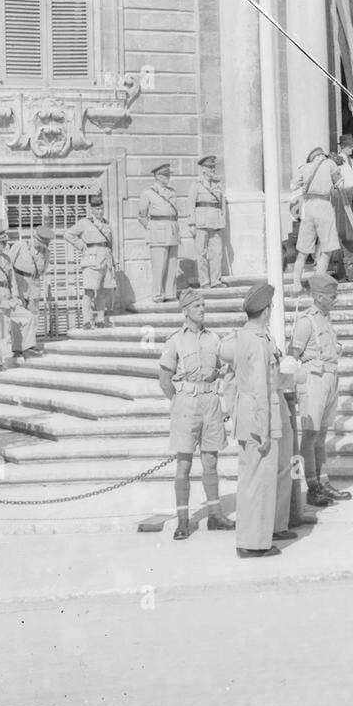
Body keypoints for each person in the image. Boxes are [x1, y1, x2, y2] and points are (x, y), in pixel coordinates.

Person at [158, 288, 234, 541]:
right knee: (184, 464)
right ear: (186, 310)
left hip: (211, 402)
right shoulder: (174, 341)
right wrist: (180, 401)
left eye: (203, 305)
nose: (202, 310)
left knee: (211, 461)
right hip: (186, 405)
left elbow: (223, 368)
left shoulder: (214, 339)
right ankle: (183, 520)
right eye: (197, 306)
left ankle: (215, 515)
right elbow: (165, 380)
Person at [228, 282, 288, 558]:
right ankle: (252, 543)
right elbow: (261, 388)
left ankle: (252, 539)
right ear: (265, 311)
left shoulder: (242, 336)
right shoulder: (257, 341)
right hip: (258, 416)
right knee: (258, 481)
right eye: (271, 308)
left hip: (246, 414)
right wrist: (263, 430)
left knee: (252, 479)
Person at [290, 271, 350, 507]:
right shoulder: (307, 321)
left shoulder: (325, 318)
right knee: (311, 433)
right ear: (318, 296)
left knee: (322, 434)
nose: (335, 298)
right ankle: (312, 486)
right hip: (313, 379)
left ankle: (323, 482)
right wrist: (294, 386)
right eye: (330, 295)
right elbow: (292, 356)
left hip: (330, 377)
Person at [291, 147, 341, 289]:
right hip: (324, 205)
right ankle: (319, 282)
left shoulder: (304, 167)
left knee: (303, 249)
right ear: (322, 156)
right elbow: (340, 184)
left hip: (308, 206)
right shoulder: (330, 164)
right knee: (327, 247)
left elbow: (293, 185)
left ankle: (296, 284)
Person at [65, 192, 116, 329]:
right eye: (97, 209)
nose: (100, 211)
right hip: (92, 261)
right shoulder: (85, 222)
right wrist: (82, 247)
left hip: (106, 260)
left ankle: (100, 320)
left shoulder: (107, 223)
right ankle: (87, 321)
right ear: (91, 209)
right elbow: (68, 234)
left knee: (102, 292)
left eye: (102, 209)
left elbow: (110, 244)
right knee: (89, 291)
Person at [138, 163, 180, 303]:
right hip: (157, 231)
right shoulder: (148, 192)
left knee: (172, 264)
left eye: (168, 175)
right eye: (164, 175)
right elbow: (142, 216)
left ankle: (170, 293)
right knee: (159, 265)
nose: (167, 178)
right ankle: (157, 294)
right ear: (157, 176)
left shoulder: (172, 192)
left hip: (172, 229)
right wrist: (152, 229)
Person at [9, 227, 51, 359]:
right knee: (18, 317)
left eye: (46, 244)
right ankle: (17, 348)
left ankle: (29, 346)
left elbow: (43, 269)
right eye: (42, 243)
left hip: (34, 284)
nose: (43, 246)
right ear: (35, 238)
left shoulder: (46, 252)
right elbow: (8, 264)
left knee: (33, 316)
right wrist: (12, 286)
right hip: (19, 281)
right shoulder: (20, 245)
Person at [187, 154, 225, 289]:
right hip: (201, 224)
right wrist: (191, 224)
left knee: (217, 253)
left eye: (213, 167)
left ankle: (216, 281)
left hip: (215, 223)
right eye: (210, 167)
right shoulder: (196, 185)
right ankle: (204, 282)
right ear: (203, 169)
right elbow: (190, 205)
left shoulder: (217, 185)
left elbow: (221, 205)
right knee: (201, 254)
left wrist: (222, 221)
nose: (213, 170)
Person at [0, 227, 16, 371]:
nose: (6, 245)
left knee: (6, 331)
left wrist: (15, 296)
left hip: (6, 297)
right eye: (3, 243)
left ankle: (3, 358)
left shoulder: (7, 258)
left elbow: (12, 279)